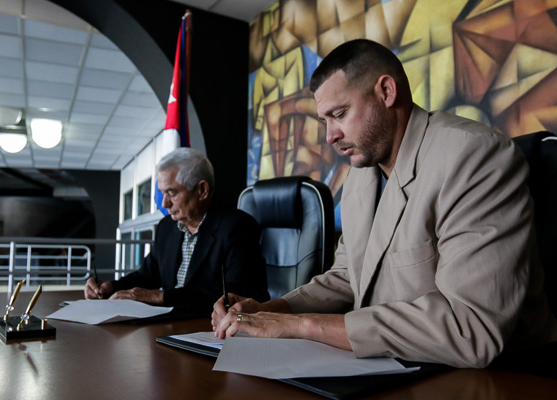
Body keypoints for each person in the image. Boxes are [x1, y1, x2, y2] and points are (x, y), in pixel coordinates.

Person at [212, 39, 557, 368]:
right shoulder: (362, 175)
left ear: (387, 92)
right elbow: (347, 276)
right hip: (396, 363)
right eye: (325, 120)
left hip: (501, 375)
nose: (330, 135)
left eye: (340, 114)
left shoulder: (474, 156)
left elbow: (471, 328)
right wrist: (270, 310)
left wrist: (302, 325)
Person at [85, 147, 269, 310]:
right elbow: (148, 275)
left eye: (171, 193)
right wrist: (110, 287)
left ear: (202, 190)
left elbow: (237, 295)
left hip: (212, 329)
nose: (164, 203)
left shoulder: (237, 227)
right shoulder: (167, 227)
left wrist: (157, 296)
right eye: (162, 193)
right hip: (170, 324)